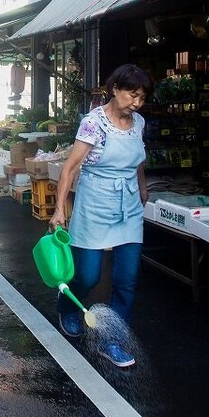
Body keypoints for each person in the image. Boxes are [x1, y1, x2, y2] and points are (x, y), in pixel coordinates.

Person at [50, 64, 153, 369]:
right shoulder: (93, 123)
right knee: (88, 275)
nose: (136, 103)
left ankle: (113, 341)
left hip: (129, 206)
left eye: (142, 98)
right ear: (115, 89)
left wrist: (143, 189)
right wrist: (59, 209)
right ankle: (67, 307)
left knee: (126, 279)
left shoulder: (139, 123)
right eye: (132, 95)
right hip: (95, 203)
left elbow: (138, 162)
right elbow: (70, 168)